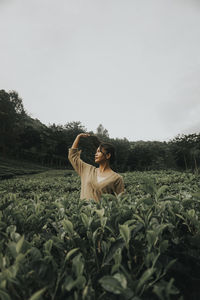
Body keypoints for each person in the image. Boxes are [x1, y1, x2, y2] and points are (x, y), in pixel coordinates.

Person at [68, 133, 124, 202]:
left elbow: (120, 201)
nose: (95, 154)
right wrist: (78, 137)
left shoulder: (117, 178)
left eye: (99, 152)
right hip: (84, 212)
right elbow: (73, 156)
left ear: (108, 155)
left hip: (102, 212)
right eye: (96, 151)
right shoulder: (87, 170)